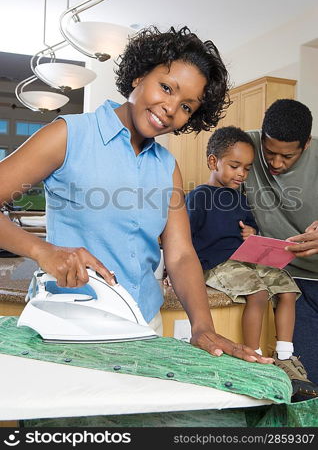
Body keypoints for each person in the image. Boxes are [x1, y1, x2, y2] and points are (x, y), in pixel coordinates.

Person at [0, 26, 273, 364]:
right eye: (166, 87)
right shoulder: (68, 135)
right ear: (138, 76)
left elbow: (181, 254)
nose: (171, 108)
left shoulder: (167, 166)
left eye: (187, 106)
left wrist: (202, 326)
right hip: (67, 323)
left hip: (143, 324)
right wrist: (43, 251)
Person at [185, 126, 318, 399]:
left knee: (289, 289)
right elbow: (181, 238)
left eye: (246, 169)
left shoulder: (241, 198)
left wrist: (253, 234)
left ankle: (285, 354)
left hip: (245, 263)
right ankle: (253, 356)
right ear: (213, 162)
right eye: (235, 166)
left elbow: (251, 226)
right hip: (217, 265)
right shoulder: (199, 196)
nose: (242, 174)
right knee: (257, 294)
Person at [245, 98, 318, 385]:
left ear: (306, 145)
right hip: (291, 283)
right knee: (306, 381)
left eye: (288, 157)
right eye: (269, 152)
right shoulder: (245, 147)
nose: (276, 163)